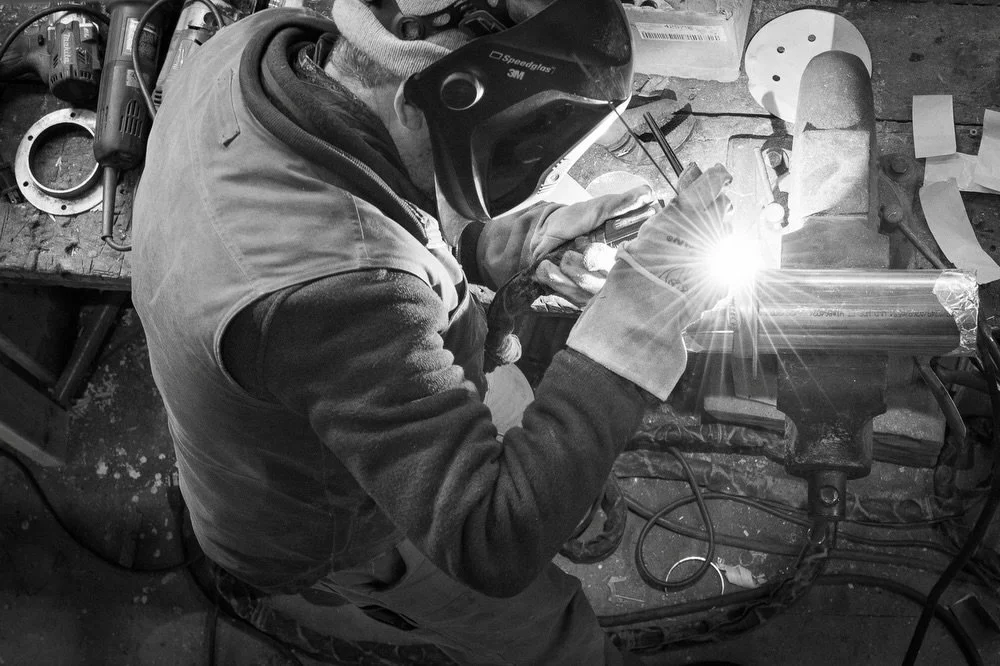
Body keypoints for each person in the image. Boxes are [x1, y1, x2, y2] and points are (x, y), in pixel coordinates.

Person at [131, 0, 732, 663]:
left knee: (517, 404)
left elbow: (371, 196)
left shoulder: (254, 49)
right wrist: (635, 322)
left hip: (360, 370)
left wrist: (508, 242)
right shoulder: (336, 294)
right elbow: (490, 541)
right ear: (438, 72)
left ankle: (563, 491)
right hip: (331, 520)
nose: (541, 168)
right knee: (545, 626)